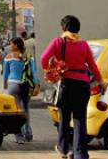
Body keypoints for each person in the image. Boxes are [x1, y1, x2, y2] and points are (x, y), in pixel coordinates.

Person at [41, 15, 104, 159]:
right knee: (80, 119)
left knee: (64, 118)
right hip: (83, 85)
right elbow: (92, 66)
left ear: (63, 28)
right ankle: (80, 154)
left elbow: (44, 59)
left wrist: (50, 70)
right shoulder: (83, 45)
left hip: (66, 84)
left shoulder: (58, 42)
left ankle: (63, 149)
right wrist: (101, 81)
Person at [3, 37, 37, 144]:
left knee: (16, 111)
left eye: (11, 44)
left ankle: (19, 136)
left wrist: (5, 84)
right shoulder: (29, 57)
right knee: (26, 109)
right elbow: (33, 73)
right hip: (26, 84)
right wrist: (35, 85)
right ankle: (28, 133)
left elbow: (5, 74)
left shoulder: (9, 57)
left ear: (16, 45)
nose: (10, 46)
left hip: (13, 84)